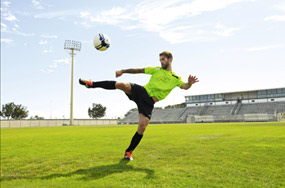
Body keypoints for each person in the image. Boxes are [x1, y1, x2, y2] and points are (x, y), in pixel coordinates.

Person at [79, 51, 199, 160]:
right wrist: (123, 71)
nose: (161, 62)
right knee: (121, 85)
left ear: (170, 60)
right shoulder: (156, 69)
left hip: (149, 103)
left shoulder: (176, 78)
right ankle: (91, 84)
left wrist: (190, 83)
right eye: (160, 60)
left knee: (142, 127)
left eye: (163, 59)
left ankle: (128, 152)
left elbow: (185, 87)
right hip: (141, 91)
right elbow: (138, 70)